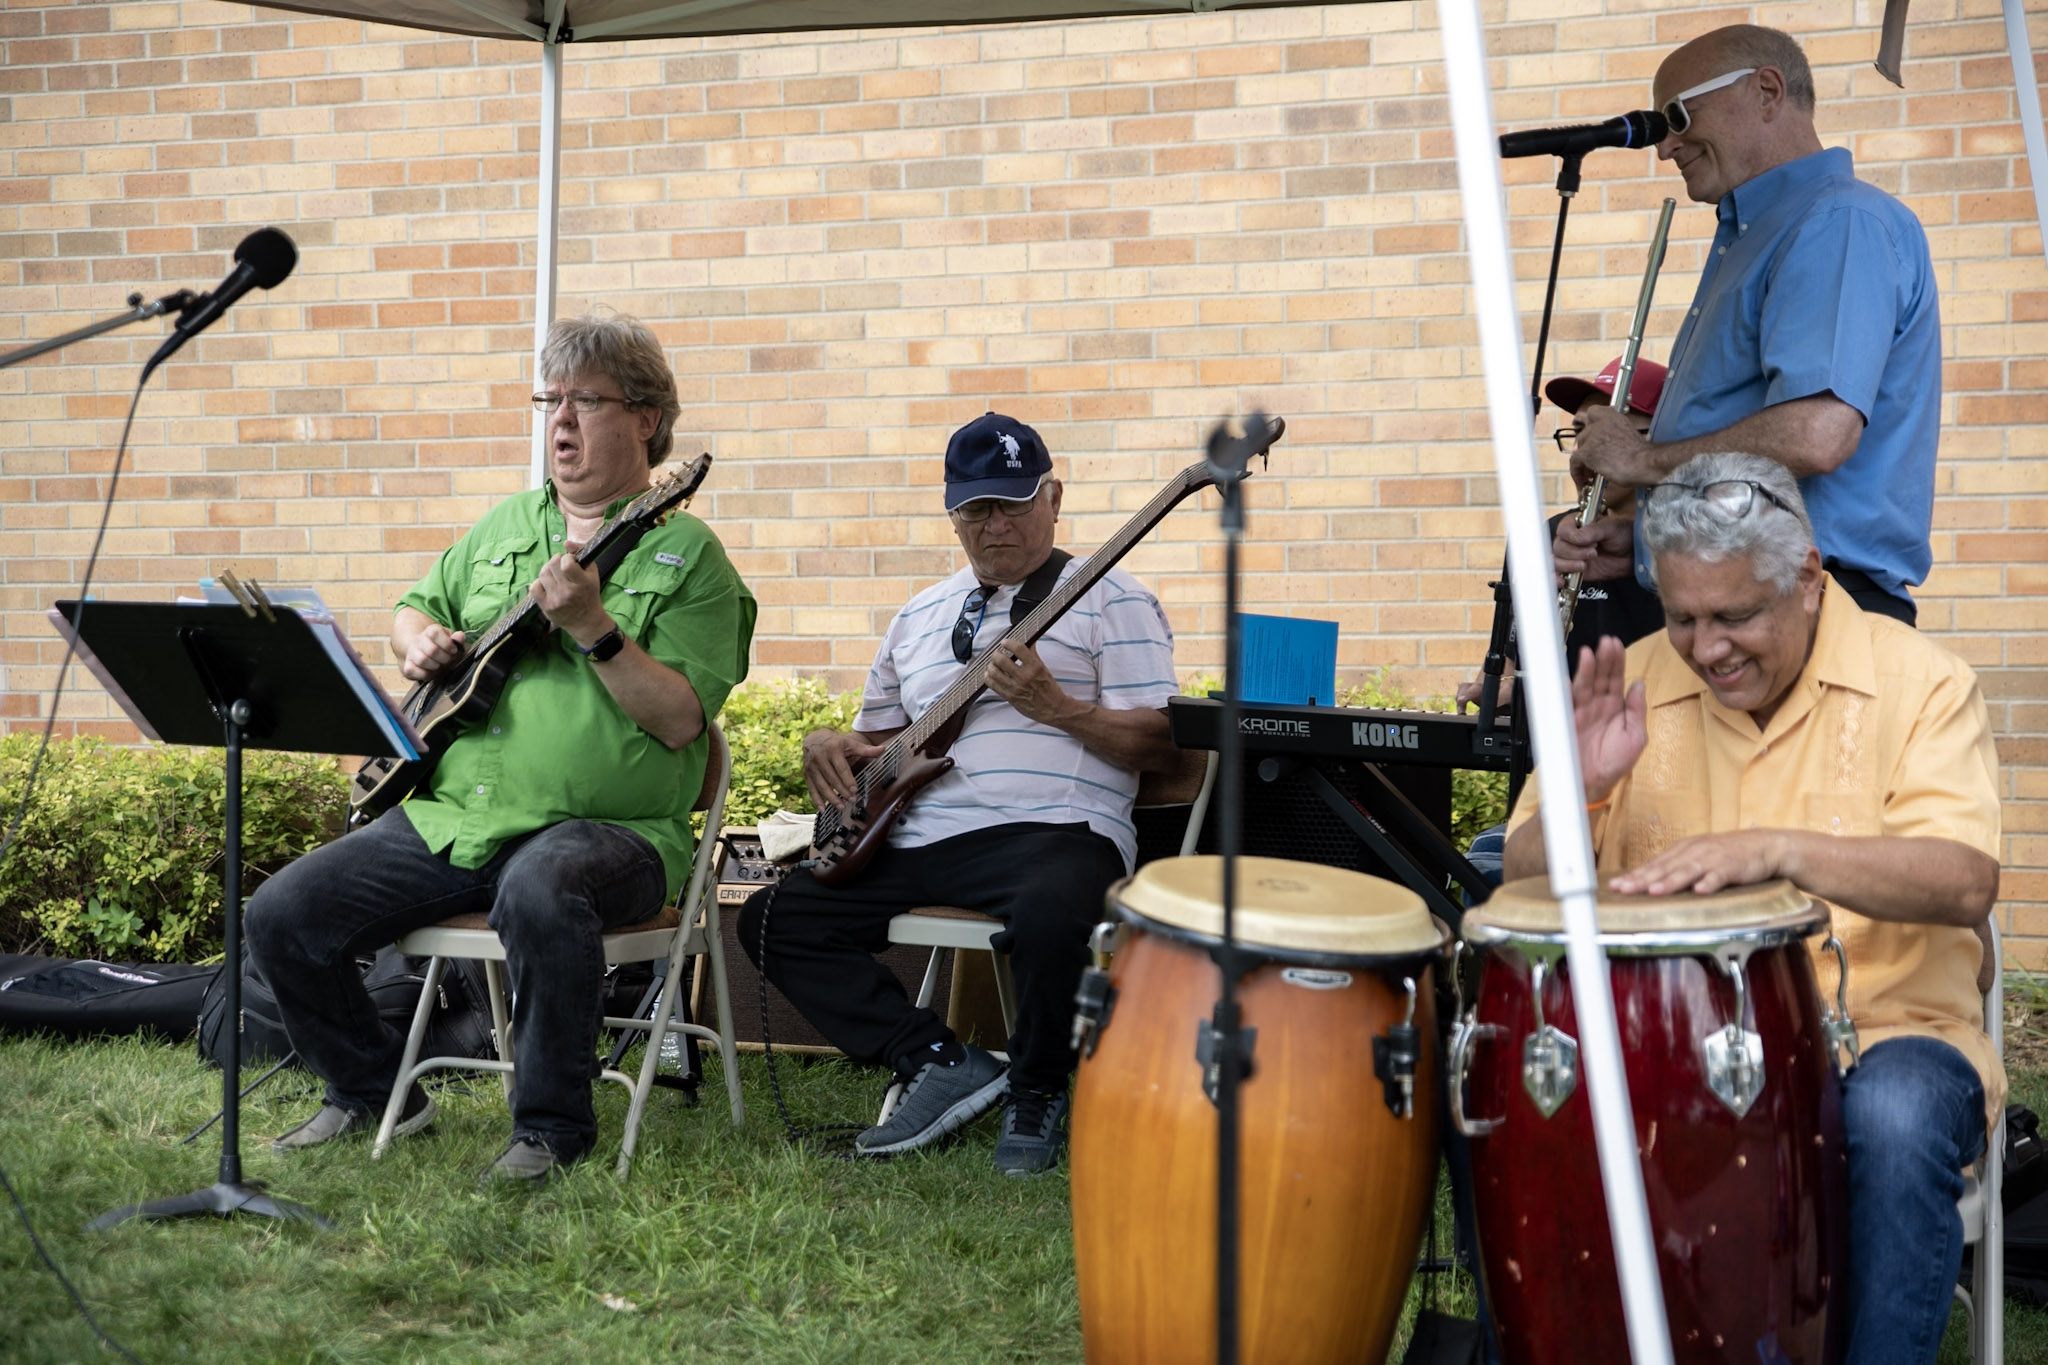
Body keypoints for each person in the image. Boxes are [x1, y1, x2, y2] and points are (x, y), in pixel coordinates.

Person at [1503, 451, 2001, 1364]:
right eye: (1685, 616)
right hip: (1673, 1051)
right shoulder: (1637, 677)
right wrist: (1584, 794)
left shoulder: (1922, 680)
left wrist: (1779, 850)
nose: (1707, 646)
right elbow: (1522, 885)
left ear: (1809, 579)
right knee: (1511, 1087)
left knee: (1889, 1120)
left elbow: (1966, 880)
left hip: (1888, 1037)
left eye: (1736, 615)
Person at [247, 314, 756, 1183]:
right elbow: (414, 606)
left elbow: (679, 721)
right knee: (282, 912)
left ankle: (551, 1130)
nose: (560, 421)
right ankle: (375, 1094)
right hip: (462, 816)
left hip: (615, 833)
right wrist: (419, 641)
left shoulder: (690, 555)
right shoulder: (504, 526)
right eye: (550, 400)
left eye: (586, 400)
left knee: (541, 883)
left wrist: (593, 626)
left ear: (645, 418)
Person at [738, 412, 1180, 1176]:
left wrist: (1057, 709)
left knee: (1051, 906)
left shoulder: (1113, 597)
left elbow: (1160, 747)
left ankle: (1036, 1092)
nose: (994, 524)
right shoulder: (917, 615)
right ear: (952, 513)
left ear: (1054, 496)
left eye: (1012, 503)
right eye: (976, 508)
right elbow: (877, 752)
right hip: (920, 838)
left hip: (1055, 830)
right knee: (774, 916)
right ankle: (940, 1058)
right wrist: (829, 747)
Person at [1565, 24, 1940, 626]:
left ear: (1767, 92)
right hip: (1750, 600)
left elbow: (1817, 434)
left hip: (1806, 605)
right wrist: (1642, 542)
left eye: (1677, 117)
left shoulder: (1836, 220)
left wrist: (1643, 462)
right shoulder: (1764, 233)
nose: (1665, 147)